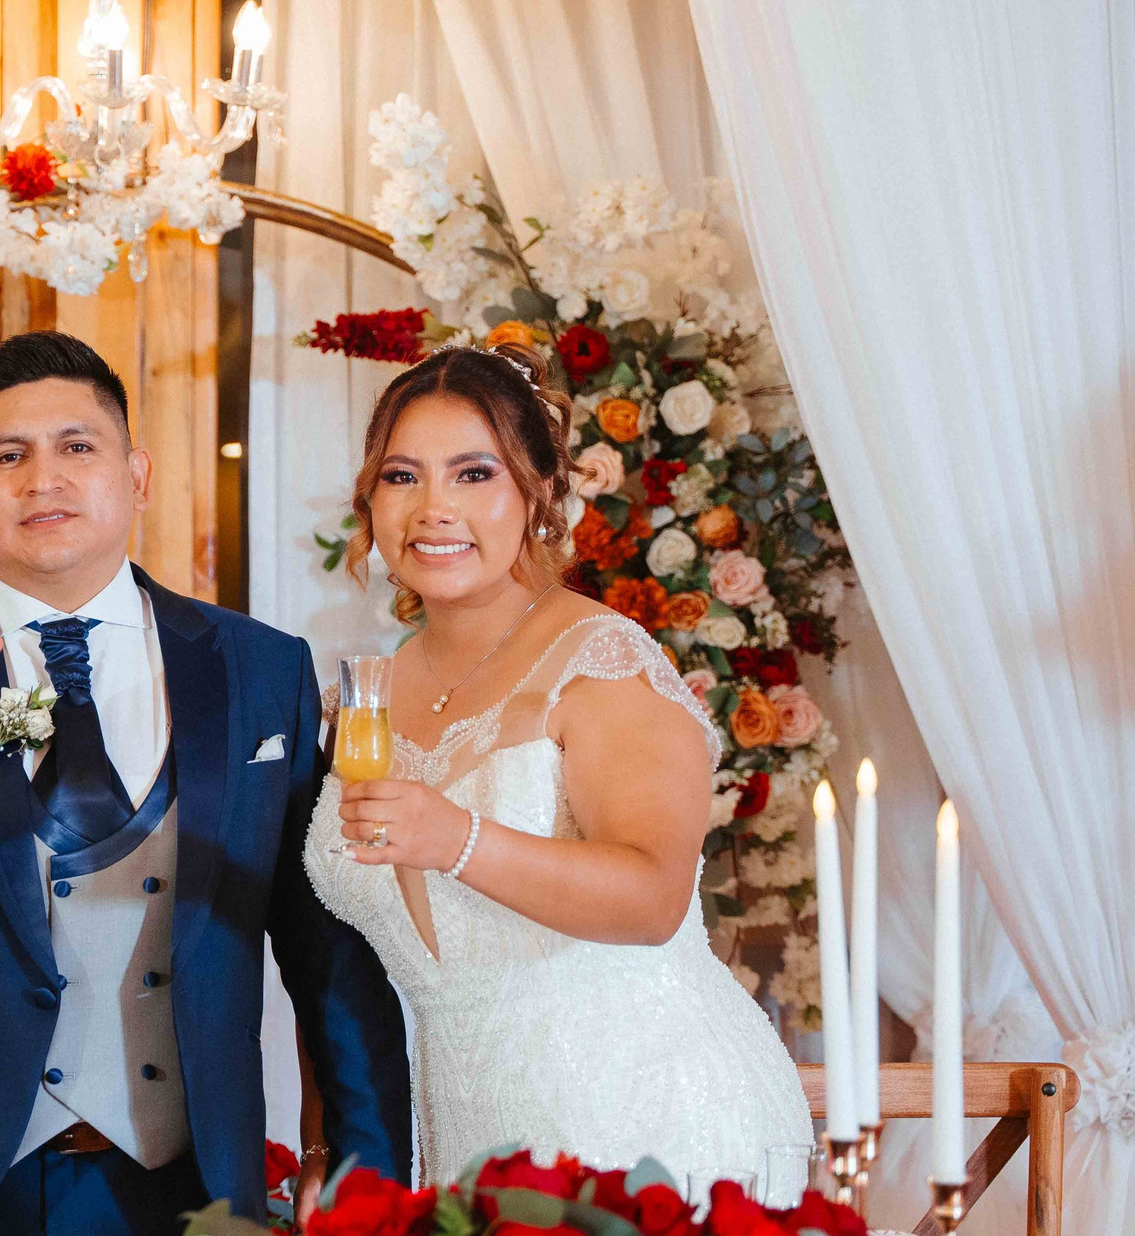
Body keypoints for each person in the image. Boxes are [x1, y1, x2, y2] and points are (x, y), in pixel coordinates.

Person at [0, 331, 409, 1236]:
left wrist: (362, 1168)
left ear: (136, 474)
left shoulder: (263, 670)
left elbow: (324, 943)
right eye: (7, 456)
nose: (43, 479)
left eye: (77, 447)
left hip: (191, 1187)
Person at [305, 342, 813, 1185]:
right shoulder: (362, 697)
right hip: (468, 1136)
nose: (433, 507)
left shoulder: (602, 661)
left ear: (537, 491)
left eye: (474, 474)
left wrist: (459, 838)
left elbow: (652, 897)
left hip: (653, 1125)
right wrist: (329, 1150)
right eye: (402, 477)